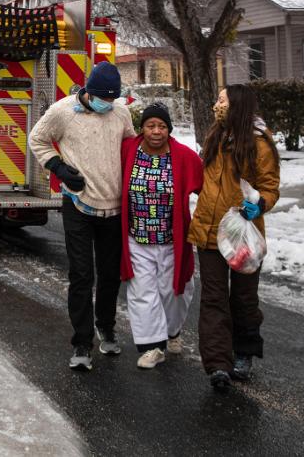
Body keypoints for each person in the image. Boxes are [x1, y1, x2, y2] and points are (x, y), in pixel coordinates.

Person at [28, 61, 137, 371]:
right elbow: (36, 139)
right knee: (81, 274)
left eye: (112, 99)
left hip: (114, 206)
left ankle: (106, 326)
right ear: (89, 91)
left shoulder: (120, 113)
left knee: (109, 274)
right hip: (78, 204)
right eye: (103, 98)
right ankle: (81, 342)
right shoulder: (62, 112)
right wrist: (58, 168)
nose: (107, 104)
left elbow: (129, 144)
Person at [187, 84, 280, 392]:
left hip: (242, 233)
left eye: (222, 100)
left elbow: (270, 186)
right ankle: (218, 365)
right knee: (213, 298)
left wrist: (260, 205)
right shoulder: (216, 135)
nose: (217, 104)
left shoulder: (258, 143)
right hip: (209, 231)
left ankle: (244, 352)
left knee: (243, 298)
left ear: (237, 105)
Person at [118, 103, 203, 370]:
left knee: (175, 291)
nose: (156, 131)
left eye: (162, 126)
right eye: (151, 126)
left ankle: (172, 331)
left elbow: (207, 189)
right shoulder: (128, 150)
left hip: (171, 241)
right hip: (137, 239)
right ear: (141, 129)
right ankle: (152, 346)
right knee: (143, 292)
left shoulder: (184, 156)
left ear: (169, 129)